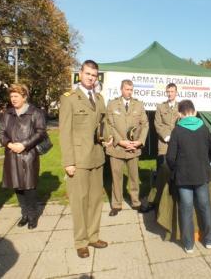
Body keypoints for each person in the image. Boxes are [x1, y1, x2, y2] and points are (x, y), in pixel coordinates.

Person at [59, 60, 109, 258]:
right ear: (80, 73)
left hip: (97, 156)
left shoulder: (99, 97)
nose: (91, 78)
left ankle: (93, 236)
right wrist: (68, 162)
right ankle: (81, 241)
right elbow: (64, 132)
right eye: (88, 74)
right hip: (79, 159)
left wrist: (108, 137)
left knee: (96, 200)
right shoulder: (69, 98)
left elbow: (103, 125)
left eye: (94, 75)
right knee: (80, 201)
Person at [166, 100, 211, 253]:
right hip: (201, 174)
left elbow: (170, 157)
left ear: (179, 114)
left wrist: (176, 169)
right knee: (205, 207)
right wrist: (205, 162)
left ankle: (188, 245)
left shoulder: (177, 131)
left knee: (186, 209)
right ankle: (210, 240)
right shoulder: (203, 128)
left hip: (183, 177)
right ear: (195, 112)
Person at [0, 84, 46, 230]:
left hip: (28, 155)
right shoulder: (8, 113)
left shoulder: (35, 112)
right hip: (12, 155)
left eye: (16, 96)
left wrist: (24, 145)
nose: (13, 99)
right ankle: (24, 214)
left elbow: (40, 132)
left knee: (29, 187)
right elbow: (1, 133)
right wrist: (9, 144)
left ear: (24, 97)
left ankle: (32, 216)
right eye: (11, 96)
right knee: (17, 187)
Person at [106, 79, 149, 215]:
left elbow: (145, 124)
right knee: (117, 177)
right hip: (117, 147)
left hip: (133, 147)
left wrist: (140, 141)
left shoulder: (138, 105)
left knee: (134, 177)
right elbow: (109, 125)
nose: (129, 92)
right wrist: (120, 141)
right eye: (127, 89)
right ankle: (116, 204)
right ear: (121, 89)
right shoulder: (112, 104)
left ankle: (136, 202)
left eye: (131, 90)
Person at [140, 83, 180, 213]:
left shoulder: (181, 107)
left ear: (176, 92)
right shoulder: (160, 107)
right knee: (163, 171)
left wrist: (176, 137)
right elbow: (157, 124)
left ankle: (174, 198)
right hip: (164, 144)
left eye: (172, 91)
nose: (170, 93)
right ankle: (157, 200)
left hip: (178, 143)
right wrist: (166, 136)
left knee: (177, 171)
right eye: (168, 91)